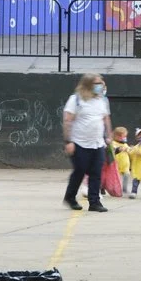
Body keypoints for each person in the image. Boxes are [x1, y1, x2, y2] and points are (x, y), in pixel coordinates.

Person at [60, 72, 111, 213]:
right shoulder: (76, 99)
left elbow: (106, 119)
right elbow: (67, 120)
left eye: (101, 83)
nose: (100, 86)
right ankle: (70, 197)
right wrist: (68, 141)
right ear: (88, 85)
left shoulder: (102, 100)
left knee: (96, 172)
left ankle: (94, 202)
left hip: (98, 143)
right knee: (80, 171)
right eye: (97, 83)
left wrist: (108, 136)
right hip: (79, 143)